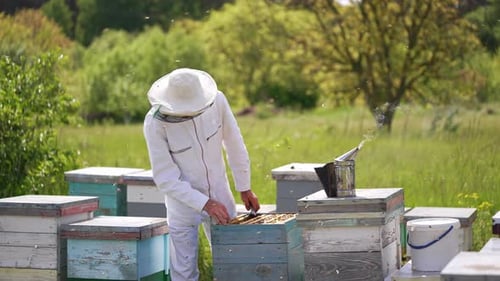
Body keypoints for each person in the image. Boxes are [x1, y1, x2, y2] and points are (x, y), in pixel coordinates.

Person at [143, 68, 260, 281]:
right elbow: (165, 178)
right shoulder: (155, 123)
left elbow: (234, 143)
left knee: (231, 263)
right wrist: (204, 203)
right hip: (183, 204)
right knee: (184, 272)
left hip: (220, 194)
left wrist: (244, 186)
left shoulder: (218, 101)